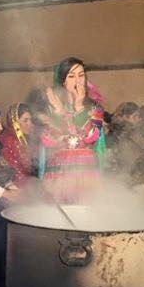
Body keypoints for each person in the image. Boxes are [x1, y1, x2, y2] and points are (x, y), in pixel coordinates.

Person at [39, 57, 106, 202]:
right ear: (63, 81)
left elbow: (92, 137)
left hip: (85, 170)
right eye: (71, 76)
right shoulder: (53, 106)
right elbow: (48, 140)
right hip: (58, 171)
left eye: (81, 75)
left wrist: (79, 107)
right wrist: (58, 112)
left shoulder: (94, 107)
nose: (77, 80)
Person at [0, 102, 38, 185]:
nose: (30, 124)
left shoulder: (22, 138)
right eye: (25, 120)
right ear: (15, 123)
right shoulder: (9, 140)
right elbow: (17, 172)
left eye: (30, 120)